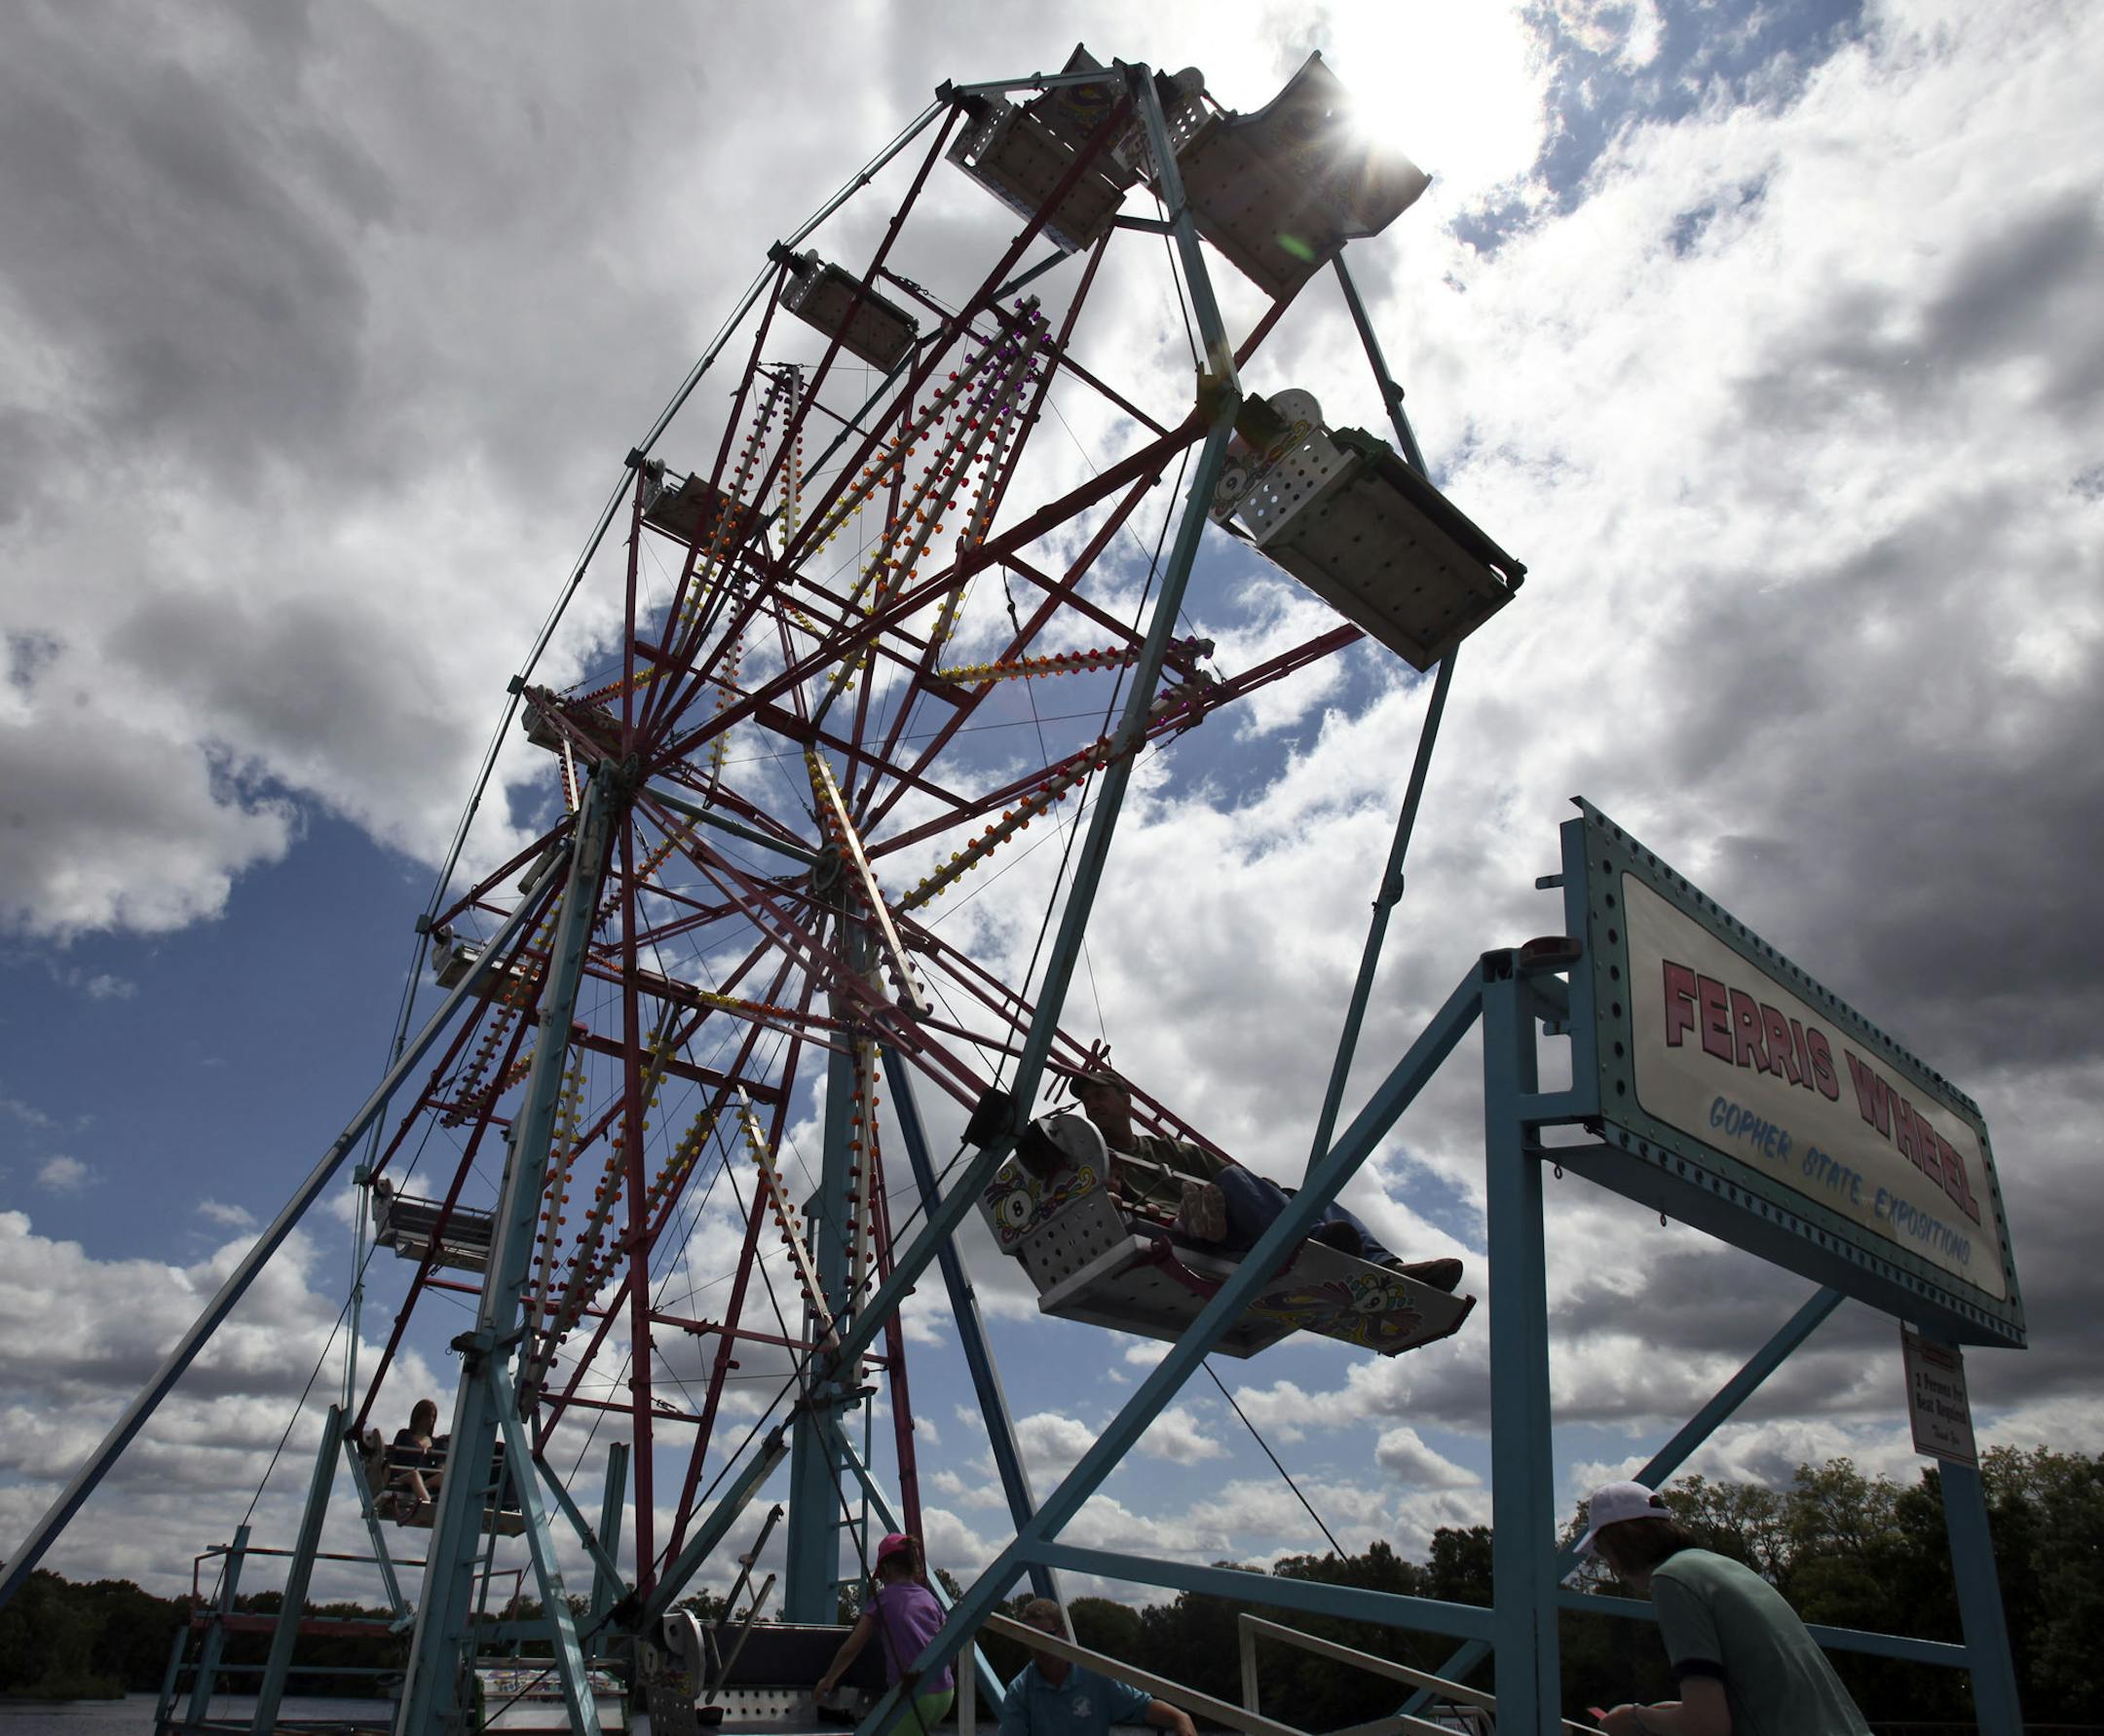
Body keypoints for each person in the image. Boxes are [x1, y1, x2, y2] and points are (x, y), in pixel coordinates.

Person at [1055, 1069, 1461, 1293]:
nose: (1093, 1104)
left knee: (1299, 1195)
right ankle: (1314, 1242)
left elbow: (1237, 1178)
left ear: (1125, 1101)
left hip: (1237, 1227)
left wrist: (1268, 1195)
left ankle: (1390, 1267)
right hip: (1186, 1235)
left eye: (1101, 1095)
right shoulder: (1095, 1165)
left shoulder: (1170, 1151)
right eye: (1087, 1100)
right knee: (1236, 1185)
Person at [1576, 1480, 1871, 1736]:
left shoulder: (1671, 1580)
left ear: (1618, 1543)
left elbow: (1707, 1727)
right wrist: (1672, 1713)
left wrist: (1635, 1719)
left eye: (1602, 1551)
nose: (1609, 1564)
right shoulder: (1722, 1567)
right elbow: (1764, 1693)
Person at [814, 1532, 956, 1736]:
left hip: (915, 1696)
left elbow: (852, 1647)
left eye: (880, 1576)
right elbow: (948, 1647)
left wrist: (828, 1679)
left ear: (887, 1569)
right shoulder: (929, 1598)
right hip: (945, 1693)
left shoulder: (883, 1600)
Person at [998, 1598, 1195, 1736]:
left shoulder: (1094, 1677)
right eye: (1032, 1638)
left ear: (1063, 1632)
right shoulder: (1020, 1691)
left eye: (1046, 1636)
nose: (1040, 1647)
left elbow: (1142, 1706)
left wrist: (1180, 1718)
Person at [388, 1398, 447, 1508]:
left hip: (423, 1480)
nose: (430, 1420)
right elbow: (393, 1457)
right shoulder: (404, 1435)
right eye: (427, 1416)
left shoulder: (436, 1442)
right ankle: (428, 1506)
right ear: (418, 1416)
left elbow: (441, 1464)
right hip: (403, 1476)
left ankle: (445, 1505)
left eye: (433, 1417)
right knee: (414, 1475)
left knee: (443, 1477)